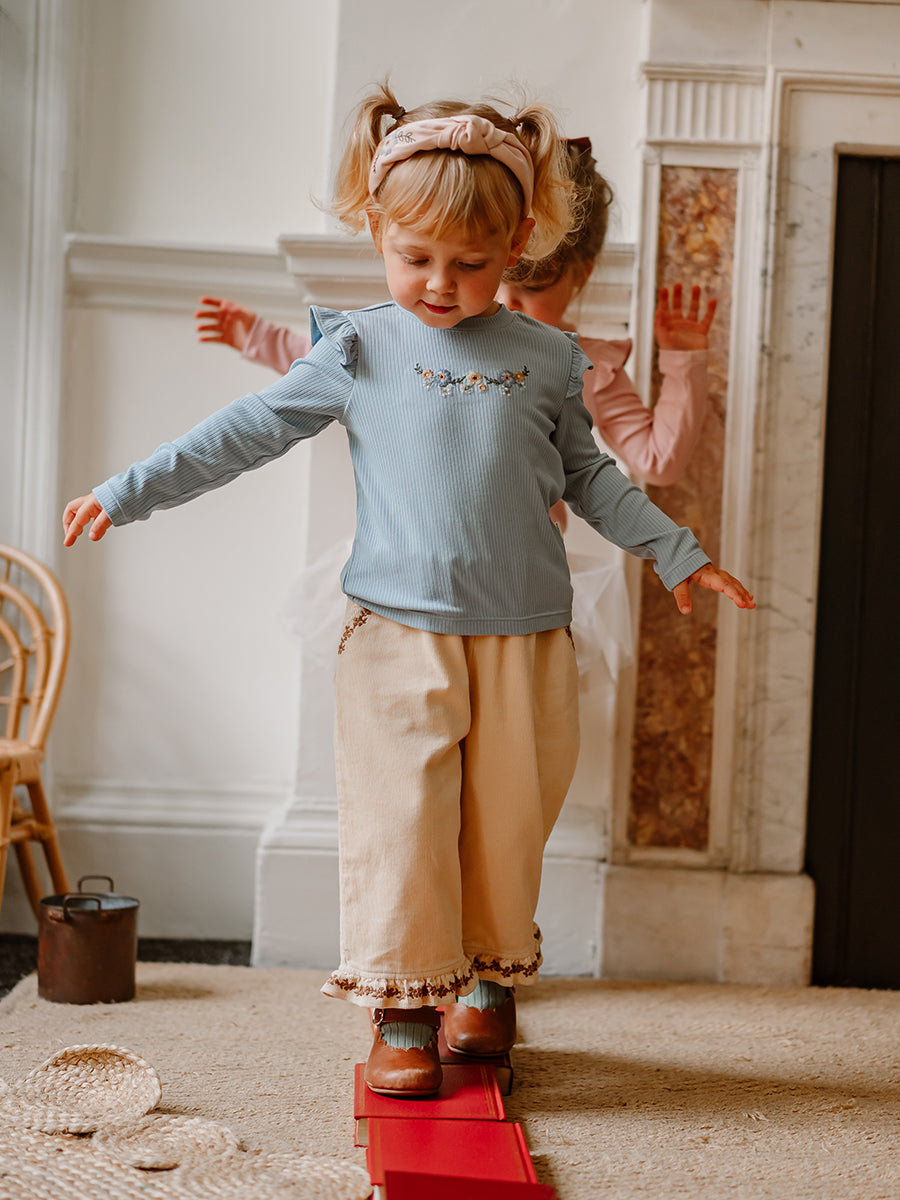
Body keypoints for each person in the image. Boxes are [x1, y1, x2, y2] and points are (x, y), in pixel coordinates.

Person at [63, 85, 754, 1099]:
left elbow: (593, 476)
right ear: (378, 234)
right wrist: (128, 491)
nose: (439, 283)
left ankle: (487, 983)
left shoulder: (549, 358)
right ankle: (403, 1008)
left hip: (523, 638)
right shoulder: (358, 347)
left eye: (469, 264)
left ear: (517, 242)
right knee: (405, 824)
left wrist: (676, 551)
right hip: (394, 634)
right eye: (414, 257)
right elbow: (244, 432)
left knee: (504, 825)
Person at [195, 138, 716, 524]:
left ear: (581, 276)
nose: (508, 301)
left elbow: (657, 462)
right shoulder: (438, 329)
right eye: (492, 277)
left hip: (520, 580)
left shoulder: (588, 368)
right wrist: (257, 336)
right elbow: (348, 362)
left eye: (534, 289)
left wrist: (683, 362)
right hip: (419, 555)